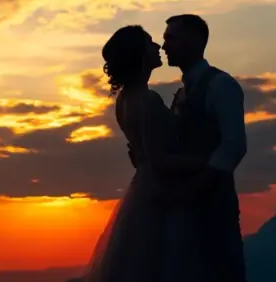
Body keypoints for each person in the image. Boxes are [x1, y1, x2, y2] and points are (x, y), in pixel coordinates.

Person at [79, 25, 223, 282]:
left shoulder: (125, 99)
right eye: (150, 43)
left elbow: (142, 154)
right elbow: (160, 161)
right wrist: (210, 161)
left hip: (145, 189)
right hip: (160, 194)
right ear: (139, 54)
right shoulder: (147, 101)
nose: (158, 47)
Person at [161, 14, 248, 282]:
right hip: (184, 208)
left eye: (170, 38)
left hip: (214, 205)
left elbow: (234, 145)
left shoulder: (221, 85)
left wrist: (199, 185)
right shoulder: (182, 93)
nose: (164, 47)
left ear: (194, 41)